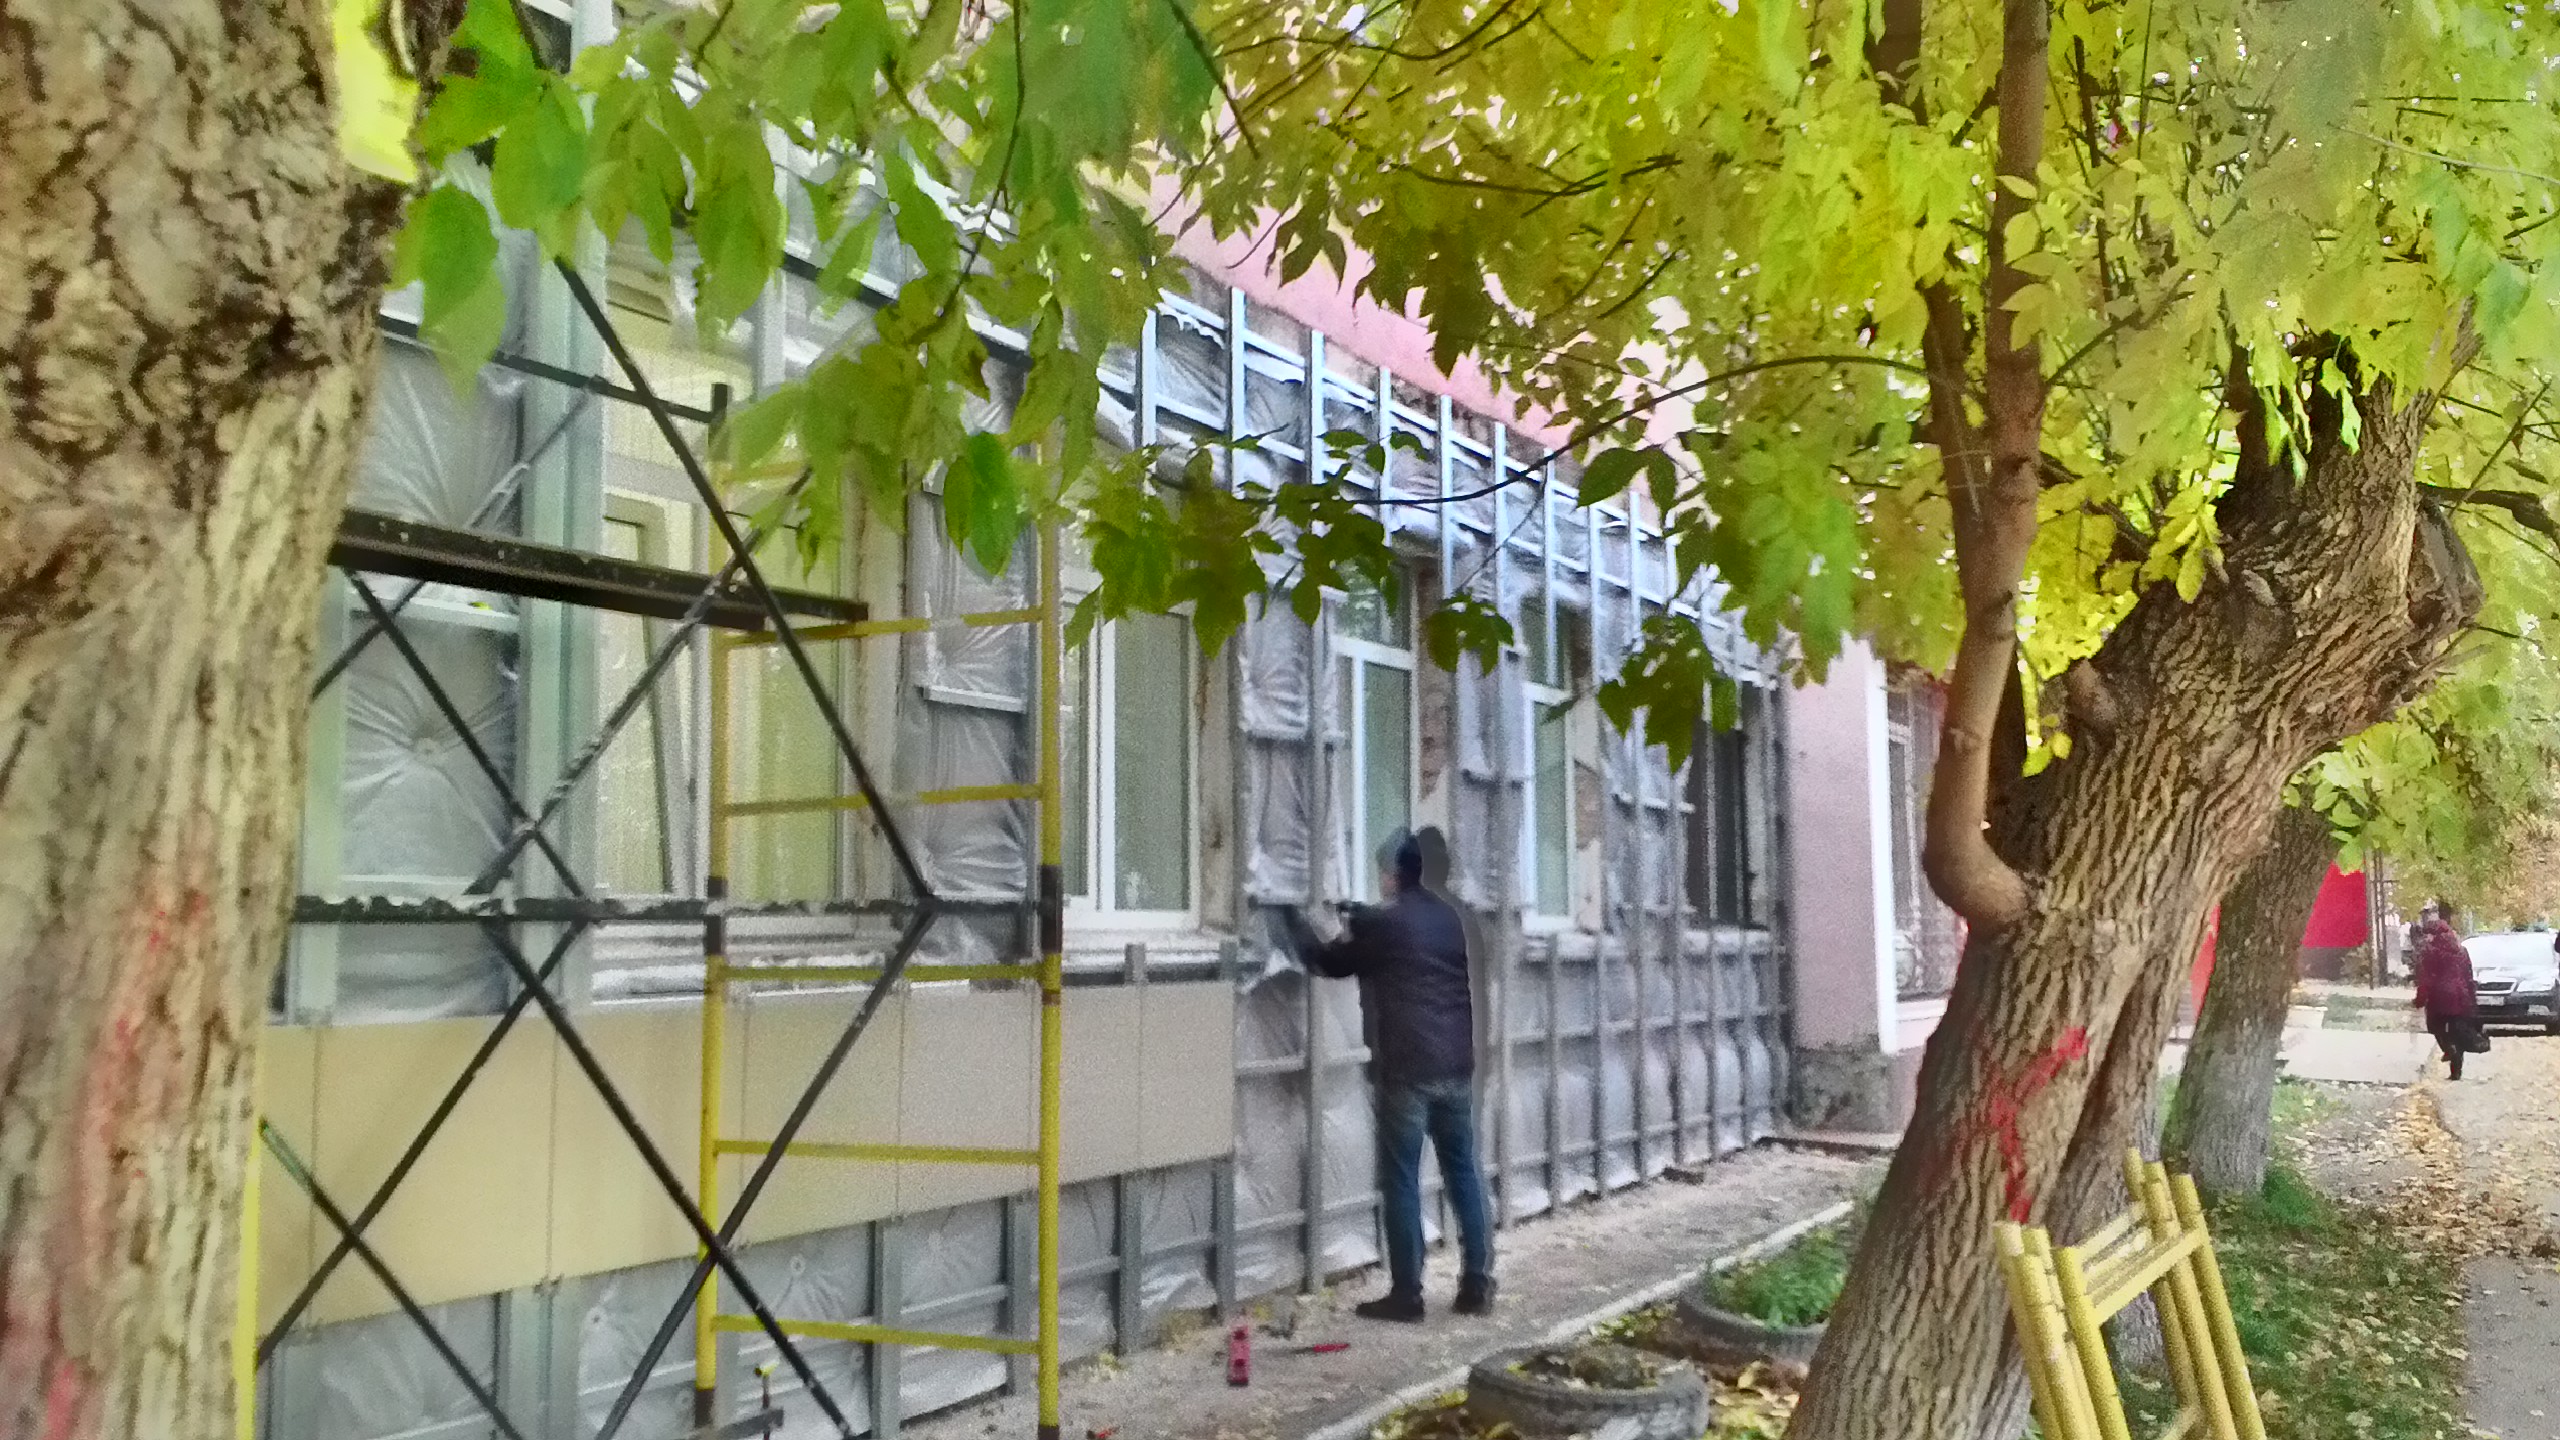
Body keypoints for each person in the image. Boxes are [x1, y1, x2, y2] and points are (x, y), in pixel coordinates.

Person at [1282, 829, 1496, 1322]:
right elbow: (1403, 940)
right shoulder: (1448, 917)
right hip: (1455, 1068)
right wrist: (1362, 918)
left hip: (1408, 1070)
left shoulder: (1384, 923)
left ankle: (1407, 1295)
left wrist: (1294, 922)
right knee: (1463, 1171)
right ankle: (1477, 1284)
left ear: (1391, 873)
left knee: (1401, 1178)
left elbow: (1330, 962)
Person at [2413, 901, 2479, 1080]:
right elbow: (2468, 976)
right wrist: (2472, 998)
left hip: (2439, 997)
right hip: (2461, 997)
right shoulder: (2461, 950)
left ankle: (2449, 1048)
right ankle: (2456, 1071)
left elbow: (2426, 977)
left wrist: (2420, 999)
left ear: (2433, 935)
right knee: (2458, 1031)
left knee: (2435, 1026)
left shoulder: (2430, 951)